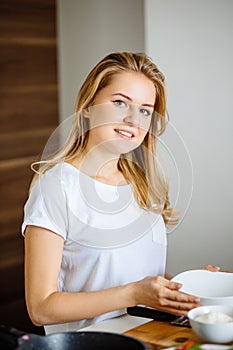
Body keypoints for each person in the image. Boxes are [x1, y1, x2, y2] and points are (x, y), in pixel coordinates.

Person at [22, 52, 218, 335]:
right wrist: (134, 294)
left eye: (145, 110)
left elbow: (135, 281)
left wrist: (189, 287)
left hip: (150, 336)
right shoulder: (56, 187)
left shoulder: (140, 183)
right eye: (119, 102)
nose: (132, 119)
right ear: (88, 107)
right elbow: (40, 308)